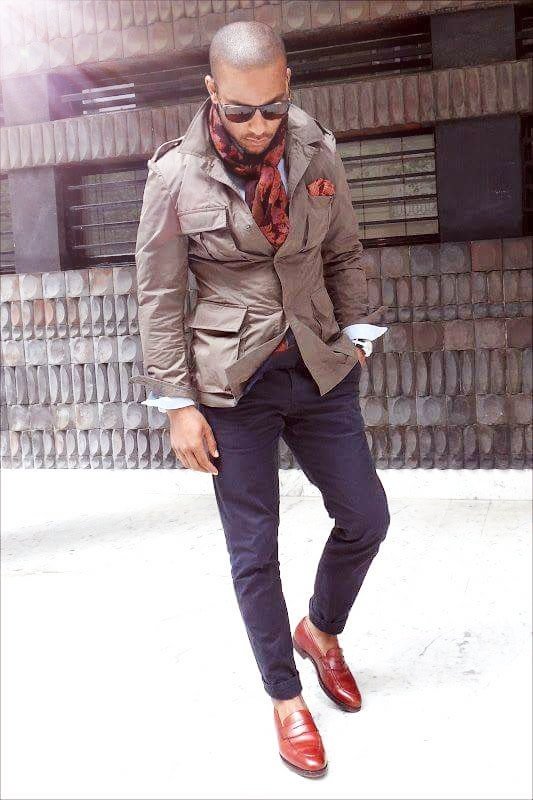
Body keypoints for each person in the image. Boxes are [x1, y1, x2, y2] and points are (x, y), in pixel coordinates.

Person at [130, 20, 390, 779]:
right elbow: (158, 295)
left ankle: (321, 630)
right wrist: (177, 402)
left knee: (366, 516)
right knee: (254, 550)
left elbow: (342, 248)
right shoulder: (175, 175)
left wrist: (357, 331)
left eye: (271, 107)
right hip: (230, 384)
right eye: (240, 110)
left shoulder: (315, 149)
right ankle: (285, 697)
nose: (256, 125)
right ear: (212, 91)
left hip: (318, 366)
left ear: (288, 88)